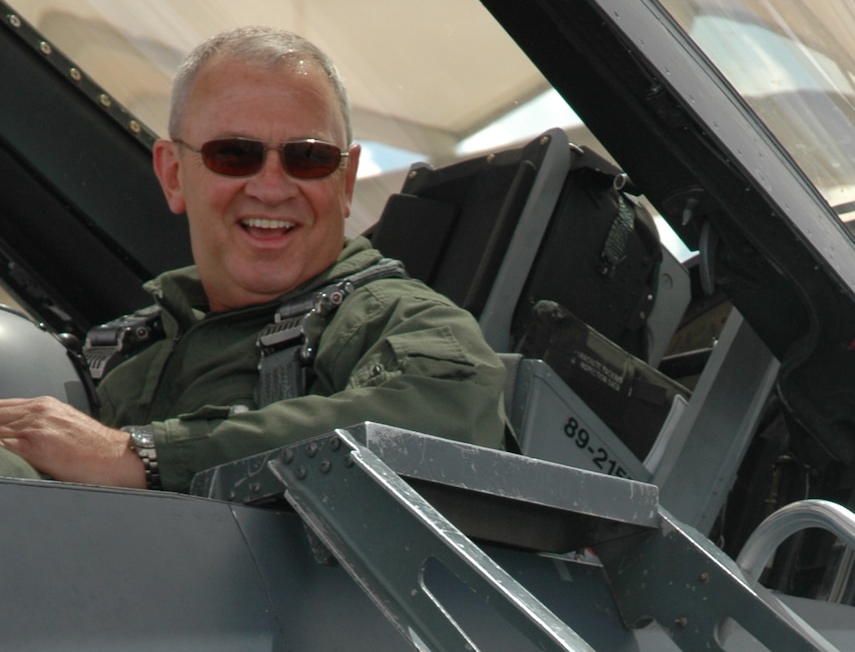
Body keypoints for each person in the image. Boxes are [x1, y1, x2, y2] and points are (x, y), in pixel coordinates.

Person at [0, 27, 504, 489]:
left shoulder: (395, 320)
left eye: (308, 158)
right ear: (174, 174)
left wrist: (143, 456)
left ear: (345, 184)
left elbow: (450, 414)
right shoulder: (129, 352)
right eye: (234, 154)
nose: (270, 187)